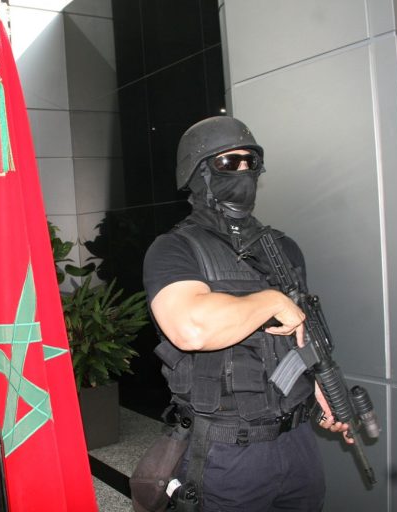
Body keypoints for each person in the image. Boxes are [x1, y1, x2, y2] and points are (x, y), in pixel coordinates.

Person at [142, 116, 352, 511]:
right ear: (197, 172)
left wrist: (323, 385)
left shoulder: (283, 248)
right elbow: (191, 328)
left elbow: (300, 333)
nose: (242, 171)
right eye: (228, 162)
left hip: (298, 443)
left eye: (250, 162)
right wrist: (271, 300)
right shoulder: (174, 248)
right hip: (226, 451)